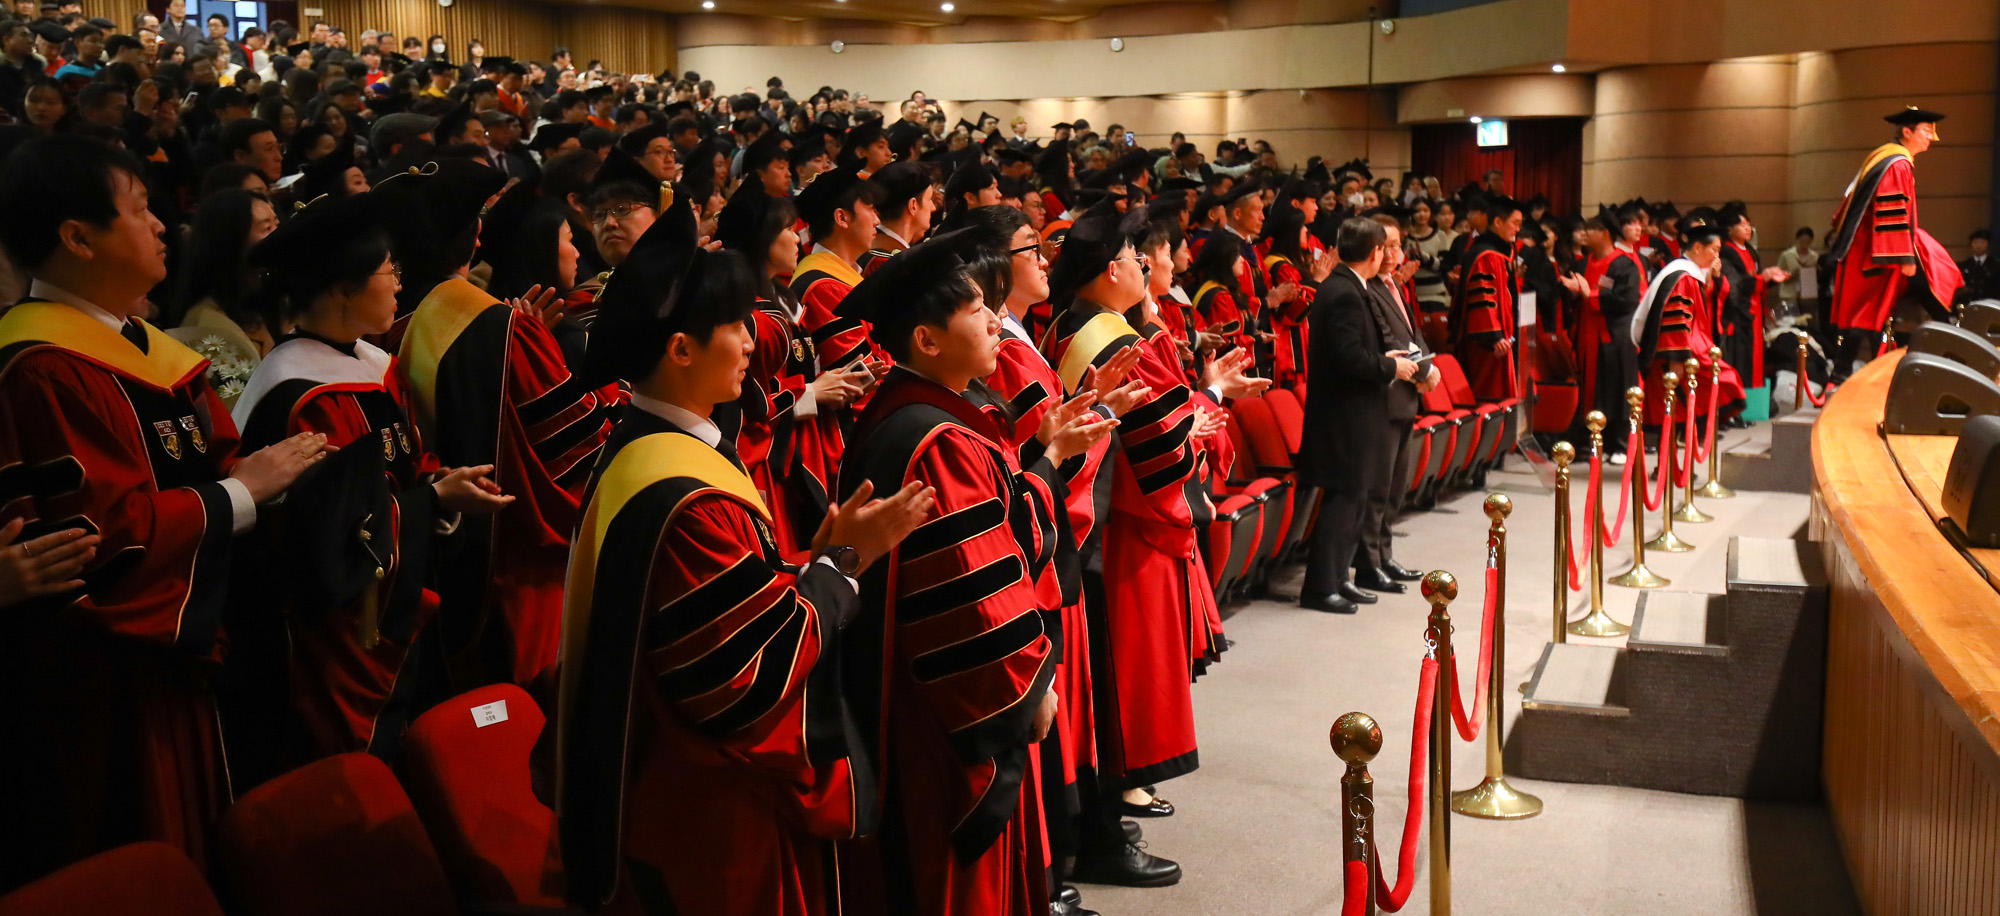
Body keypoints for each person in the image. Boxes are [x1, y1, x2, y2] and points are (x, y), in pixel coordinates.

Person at [556, 198, 931, 916]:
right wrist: (842, 567)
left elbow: (734, 609)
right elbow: (747, 679)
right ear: (681, 350)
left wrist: (812, 561)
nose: (753, 344)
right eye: (733, 326)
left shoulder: (645, 452)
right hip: (709, 815)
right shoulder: (688, 495)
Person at [0, 136, 328, 890]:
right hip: (114, 684)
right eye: (140, 210)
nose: (162, 228)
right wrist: (245, 494)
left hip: (191, 649)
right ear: (77, 238)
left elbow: (223, 460)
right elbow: (105, 545)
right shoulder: (43, 367)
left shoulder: (143, 346)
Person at [835, 228, 1109, 915]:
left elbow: (998, 531)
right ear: (927, 340)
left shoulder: (922, 414)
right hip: (945, 719)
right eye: (976, 311)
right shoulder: (936, 439)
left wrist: (1048, 456)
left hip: (918, 697)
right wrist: (1025, 687)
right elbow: (971, 593)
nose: (997, 321)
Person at [229, 191, 514, 770]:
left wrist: (442, 484)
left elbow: (405, 464)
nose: (399, 284)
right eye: (389, 272)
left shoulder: (371, 365)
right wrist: (432, 497)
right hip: (337, 639)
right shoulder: (301, 392)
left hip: (397, 602)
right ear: (340, 287)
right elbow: (327, 537)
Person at [1041, 199, 1265, 887]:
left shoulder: (1067, 326)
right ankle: (1103, 835)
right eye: (1138, 256)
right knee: (1112, 697)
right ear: (1111, 270)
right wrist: (1206, 412)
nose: (1146, 264)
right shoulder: (1115, 339)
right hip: (1111, 541)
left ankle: (1096, 820)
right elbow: (1164, 451)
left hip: (1087, 529)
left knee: (1097, 697)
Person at [379, 158, 621, 699]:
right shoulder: (503, 327)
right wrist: (620, 394)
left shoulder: (394, 327)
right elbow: (576, 453)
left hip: (441, 555)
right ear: (475, 236)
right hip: (521, 568)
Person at [715, 182, 865, 555]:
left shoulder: (780, 299)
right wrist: (813, 393)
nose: (798, 236)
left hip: (794, 447)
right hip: (764, 462)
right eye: (786, 229)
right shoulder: (744, 314)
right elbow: (741, 405)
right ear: (761, 238)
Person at [1298, 216, 1417, 615]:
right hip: (1342, 417)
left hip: (1353, 415)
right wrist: (1389, 368)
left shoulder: (1350, 286)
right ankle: (1320, 586)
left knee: (1355, 498)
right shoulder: (1344, 291)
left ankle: (1339, 580)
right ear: (1375, 251)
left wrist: (1385, 360)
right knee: (1343, 501)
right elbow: (1347, 357)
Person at [1828, 107, 1963, 373]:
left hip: (1878, 245)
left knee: (1873, 310)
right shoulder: (1897, 163)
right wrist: (1903, 256)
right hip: (1881, 247)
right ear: (1907, 131)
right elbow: (1892, 211)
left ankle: (1841, 372)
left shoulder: (1887, 156)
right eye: (1926, 131)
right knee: (1876, 308)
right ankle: (1959, 348)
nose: (1931, 138)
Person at [1358, 212, 1435, 592]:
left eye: (1397, 245)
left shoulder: (1393, 286)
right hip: (1383, 398)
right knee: (1378, 486)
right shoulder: (1366, 289)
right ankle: (1370, 563)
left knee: (1395, 486)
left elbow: (1412, 333)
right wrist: (1425, 371)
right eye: (1386, 245)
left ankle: (1384, 555)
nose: (1393, 253)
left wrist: (1428, 363)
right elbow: (1390, 341)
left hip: (1404, 397)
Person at [1631, 212, 1746, 430]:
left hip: (1693, 347)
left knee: (1724, 382)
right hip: (1679, 353)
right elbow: (1676, 321)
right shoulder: (1681, 276)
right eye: (1715, 249)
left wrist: (1713, 279)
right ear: (1698, 248)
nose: (1717, 256)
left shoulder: (1691, 273)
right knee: (1724, 381)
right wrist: (1677, 357)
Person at [790, 164, 884, 371]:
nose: (877, 220)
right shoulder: (823, 288)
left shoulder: (845, 274)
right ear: (842, 218)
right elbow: (861, 380)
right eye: (870, 209)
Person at [1578, 208, 1647, 462]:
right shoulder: (1586, 262)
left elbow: (1627, 300)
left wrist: (1592, 295)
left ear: (1604, 233)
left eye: (1590, 230)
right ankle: (1596, 440)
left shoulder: (1623, 264)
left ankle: (1620, 444)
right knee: (1594, 388)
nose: (1584, 234)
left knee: (1619, 387)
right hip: (1590, 335)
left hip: (1616, 336)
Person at [1448, 195, 1524, 401]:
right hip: (1489, 344)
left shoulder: (1494, 253)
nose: (1518, 230)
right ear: (1498, 222)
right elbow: (1483, 298)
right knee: (1491, 396)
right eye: (1515, 223)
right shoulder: (1486, 255)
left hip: (1501, 339)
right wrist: (1495, 336)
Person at [1715, 202, 1790, 396]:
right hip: (1739, 314)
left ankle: (1748, 400)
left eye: (1749, 224)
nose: (1747, 228)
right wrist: (1762, 278)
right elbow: (1735, 284)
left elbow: (1755, 281)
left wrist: (1771, 279)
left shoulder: (1750, 250)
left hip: (1755, 313)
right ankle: (1737, 402)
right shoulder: (1727, 252)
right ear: (1729, 229)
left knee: (1754, 359)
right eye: (1742, 224)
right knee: (1740, 359)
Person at [1777, 226, 1820, 318]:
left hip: (1808, 295)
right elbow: (1779, 273)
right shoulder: (1787, 255)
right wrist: (1794, 273)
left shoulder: (1814, 256)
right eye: (1801, 242)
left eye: (1808, 242)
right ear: (1797, 240)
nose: (1804, 245)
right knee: (1791, 321)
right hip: (1790, 294)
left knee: (1808, 320)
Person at [1958, 229, 1993, 304]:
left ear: (1988, 245)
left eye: (1982, 242)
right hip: (1967, 304)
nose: (1979, 246)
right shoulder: (1962, 266)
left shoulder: (1996, 266)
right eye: (1975, 242)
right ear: (1971, 245)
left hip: (1988, 304)